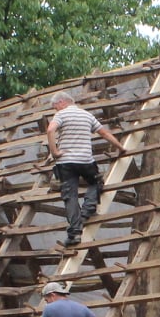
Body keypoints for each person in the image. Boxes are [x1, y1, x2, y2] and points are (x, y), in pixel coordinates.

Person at [46, 93, 126, 245]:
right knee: (95, 181)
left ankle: (74, 233)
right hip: (85, 160)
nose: (54, 110)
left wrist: (55, 152)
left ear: (62, 102)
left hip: (65, 163)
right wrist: (120, 148)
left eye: (54, 106)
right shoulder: (87, 115)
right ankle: (88, 209)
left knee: (70, 196)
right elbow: (104, 133)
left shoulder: (61, 115)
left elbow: (50, 130)